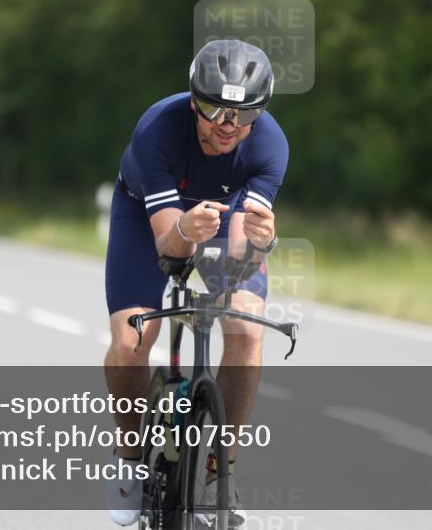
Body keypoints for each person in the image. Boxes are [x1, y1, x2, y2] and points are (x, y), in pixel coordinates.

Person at [103, 39, 288, 526]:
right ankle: (128, 459)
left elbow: (236, 256)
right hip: (150, 217)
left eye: (242, 115)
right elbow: (167, 246)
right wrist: (185, 230)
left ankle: (219, 468)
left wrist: (259, 243)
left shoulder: (270, 147)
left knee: (247, 330)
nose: (227, 126)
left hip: (223, 219)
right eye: (213, 110)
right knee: (132, 337)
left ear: (259, 114)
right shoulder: (156, 130)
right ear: (193, 102)